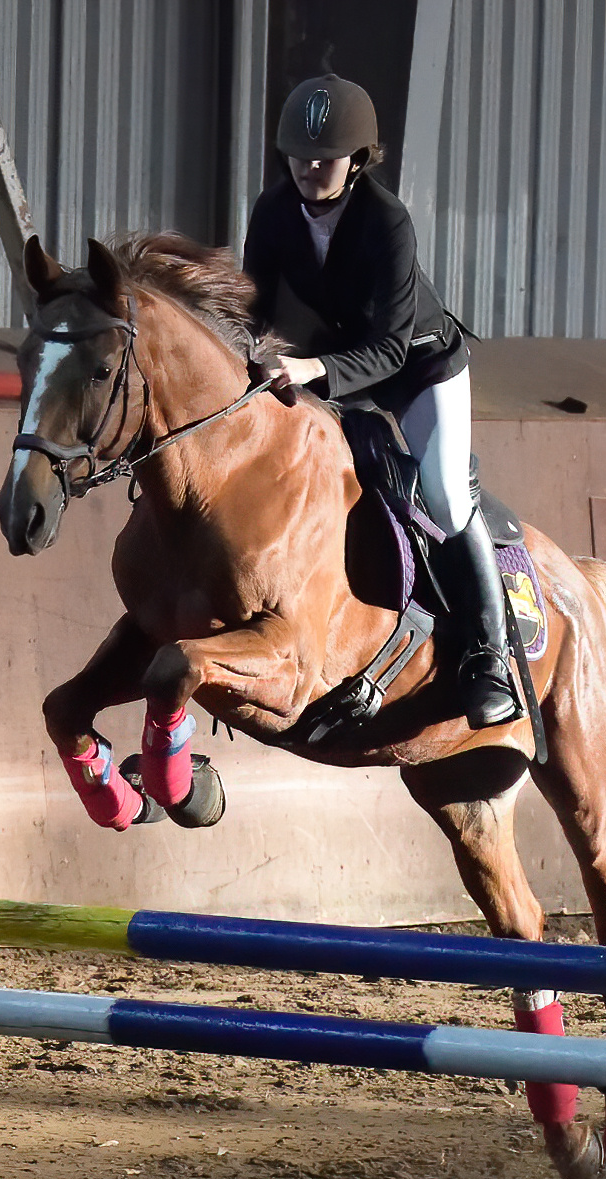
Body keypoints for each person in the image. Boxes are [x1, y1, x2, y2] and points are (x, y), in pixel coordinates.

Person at [243, 74, 521, 730]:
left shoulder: (387, 221)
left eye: (326, 158)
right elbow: (252, 305)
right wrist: (249, 351)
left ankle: (489, 658)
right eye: (299, 156)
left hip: (419, 366)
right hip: (334, 365)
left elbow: (391, 350)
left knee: (444, 495)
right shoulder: (272, 211)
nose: (310, 168)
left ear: (358, 159)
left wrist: (312, 367)